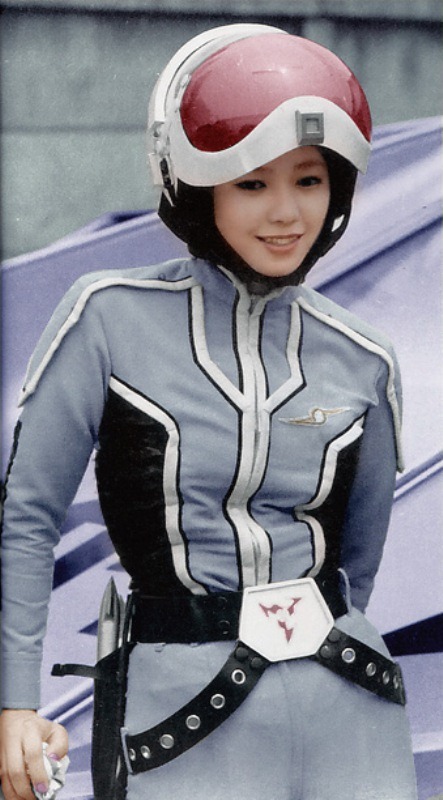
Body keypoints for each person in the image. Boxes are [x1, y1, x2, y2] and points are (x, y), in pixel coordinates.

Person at [0, 22, 418, 800]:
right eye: (251, 183)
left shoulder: (363, 355)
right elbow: (25, 521)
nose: (286, 212)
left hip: (349, 706)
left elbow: (357, 567)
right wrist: (13, 705)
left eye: (309, 179)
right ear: (196, 188)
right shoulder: (103, 317)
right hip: (179, 709)